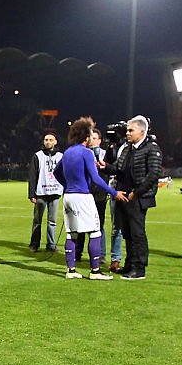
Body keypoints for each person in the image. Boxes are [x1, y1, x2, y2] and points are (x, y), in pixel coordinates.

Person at [55, 118, 117, 280]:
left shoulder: (67, 152)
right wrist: (115, 193)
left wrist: (66, 185)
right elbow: (96, 179)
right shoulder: (87, 153)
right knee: (95, 232)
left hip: (68, 196)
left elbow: (56, 172)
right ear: (86, 136)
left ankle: (71, 270)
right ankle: (95, 271)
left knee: (71, 234)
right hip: (83, 196)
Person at [107, 116, 162, 280]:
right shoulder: (127, 149)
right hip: (123, 195)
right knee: (127, 233)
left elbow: (153, 174)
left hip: (138, 197)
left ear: (142, 131)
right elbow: (118, 168)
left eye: (131, 130)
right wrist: (105, 167)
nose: (127, 133)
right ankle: (130, 265)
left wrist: (136, 192)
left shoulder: (152, 148)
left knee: (137, 233)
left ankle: (139, 268)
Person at [74, 128, 110, 264]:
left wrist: (101, 167)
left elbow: (111, 170)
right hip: (84, 193)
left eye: (95, 138)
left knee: (98, 224)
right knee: (80, 224)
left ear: (99, 141)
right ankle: (78, 252)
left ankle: (100, 254)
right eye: (90, 138)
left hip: (100, 193)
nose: (92, 140)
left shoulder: (106, 155)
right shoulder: (81, 153)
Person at [27, 131, 64, 252]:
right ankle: (34, 244)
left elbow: (65, 174)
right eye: (46, 139)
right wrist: (31, 194)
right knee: (37, 220)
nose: (48, 142)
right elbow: (32, 175)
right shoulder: (37, 156)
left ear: (55, 142)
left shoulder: (60, 156)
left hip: (55, 192)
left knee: (52, 221)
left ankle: (51, 245)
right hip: (41, 193)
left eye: (50, 140)